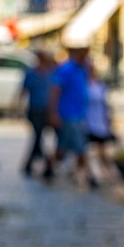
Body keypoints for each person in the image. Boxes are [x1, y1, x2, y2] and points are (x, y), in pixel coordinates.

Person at [48, 44, 96, 189]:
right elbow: (55, 91)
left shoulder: (82, 69)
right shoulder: (66, 69)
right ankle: (88, 175)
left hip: (80, 114)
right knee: (80, 147)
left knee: (63, 148)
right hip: (68, 114)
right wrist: (53, 113)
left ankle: (49, 167)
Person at [17, 49, 57, 179]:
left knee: (40, 138)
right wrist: (18, 107)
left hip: (48, 110)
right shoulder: (31, 74)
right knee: (38, 136)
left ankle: (32, 164)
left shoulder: (51, 73)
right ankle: (46, 165)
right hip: (35, 110)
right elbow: (23, 90)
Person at [84, 62, 117, 179]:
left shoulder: (100, 85)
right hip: (86, 121)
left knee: (102, 150)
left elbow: (105, 104)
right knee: (86, 150)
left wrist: (109, 120)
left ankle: (107, 172)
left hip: (99, 121)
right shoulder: (83, 85)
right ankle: (89, 173)